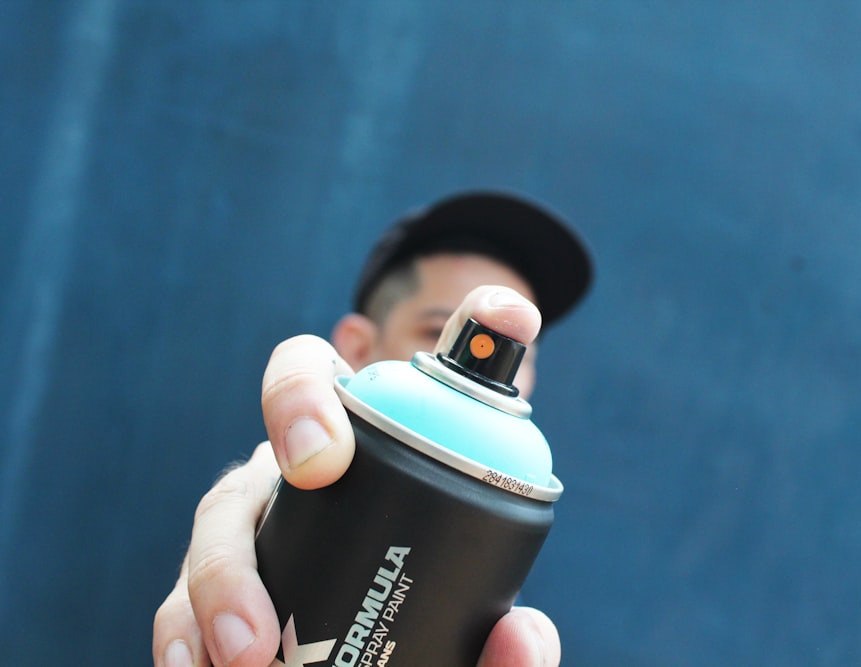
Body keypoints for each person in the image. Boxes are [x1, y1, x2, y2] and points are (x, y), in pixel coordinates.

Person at [152, 191, 592, 667]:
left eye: (523, 354)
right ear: (357, 349)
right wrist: (274, 506)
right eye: (433, 329)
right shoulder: (289, 487)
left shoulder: (503, 570)